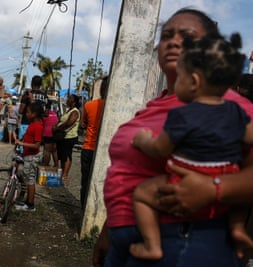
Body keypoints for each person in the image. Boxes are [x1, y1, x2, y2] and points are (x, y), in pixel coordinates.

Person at [92, 8, 253, 267]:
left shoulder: (228, 106)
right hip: (128, 242)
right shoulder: (154, 105)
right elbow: (130, 173)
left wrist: (215, 188)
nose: (174, 41)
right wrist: (109, 230)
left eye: (187, 35)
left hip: (185, 240)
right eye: (167, 35)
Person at [130, 33, 253, 260]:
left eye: (180, 78)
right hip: (227, 183)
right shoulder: (238, 112)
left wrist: (142, 140)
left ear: (194, 82)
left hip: (183, 183)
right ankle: (237, 226)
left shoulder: (182, 115)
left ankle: (152, 245)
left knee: (141, 194)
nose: (177, 83)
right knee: (241, 200)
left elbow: (160, 149)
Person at [80, 76, 108, 210]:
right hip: (104, 151)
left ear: (101, 89)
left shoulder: (89, 105)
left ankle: (83, 210)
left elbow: (83, 124)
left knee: (85, 182)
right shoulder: (111, 107)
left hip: (88, 148)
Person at [15, 102, 44, 211]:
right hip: (28, 155)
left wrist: (22, 144)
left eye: (28, 112)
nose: (26, 114)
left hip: (32, 156)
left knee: (30, 180)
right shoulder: (33, 124)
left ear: (34, 114)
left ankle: (30, 204)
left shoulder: (37, 126)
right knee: (27, 178)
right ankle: (27, 201)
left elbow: (37, 144)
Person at [53, 94, 81, 180]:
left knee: (67, 155)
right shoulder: (69, 110)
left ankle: (65, 174)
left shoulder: (75, 111)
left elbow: (69, 123)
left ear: (74, 102)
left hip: (69, 137)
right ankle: (62, 172)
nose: (67, 100)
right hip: (63, 137)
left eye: (70, 98)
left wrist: (58, 128)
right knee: (62, 155)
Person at [18, 75, 48, 142]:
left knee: (23, 146)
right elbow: (46, 113)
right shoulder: (45, 96)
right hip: (38, 124)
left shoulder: (27, 94)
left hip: (26, 123)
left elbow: (20, 111)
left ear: (32, 83)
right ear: (40, 84)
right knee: (34, 146)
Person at [42, 101, 59, 167]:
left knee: (47, 151)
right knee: (54, 151)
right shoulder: (54, 113)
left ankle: (46, 165)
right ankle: (56, 165)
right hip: (55, 133)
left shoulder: (45, 115)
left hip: (47, 133)